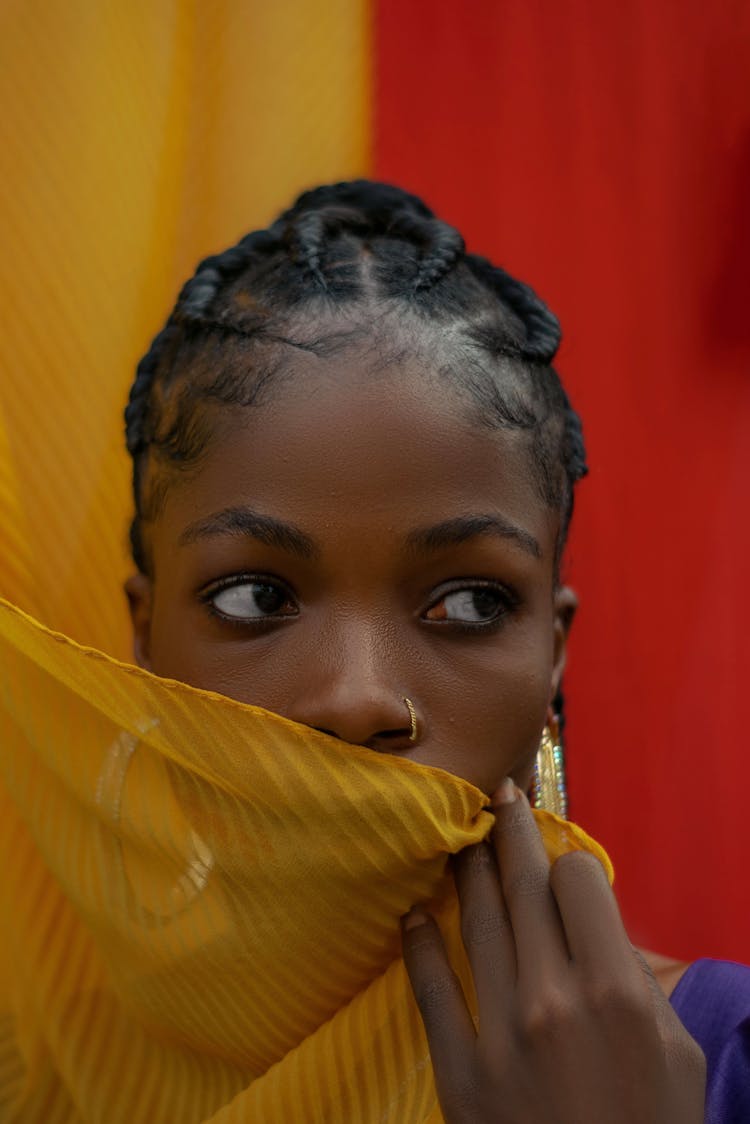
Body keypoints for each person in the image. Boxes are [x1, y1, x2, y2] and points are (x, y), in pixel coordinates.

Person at [117, 180, 749, 1122]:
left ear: (553, 657)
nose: (360, 698)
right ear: (145, 642)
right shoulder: (43, 1060)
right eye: (256, 597)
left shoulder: (722, 1060)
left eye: (467, 602)